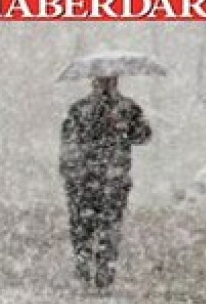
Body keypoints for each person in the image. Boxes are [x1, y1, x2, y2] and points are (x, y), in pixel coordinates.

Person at [60, 75, 152, 290]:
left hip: (111, 180)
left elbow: (144, 136)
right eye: (101, 81)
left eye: (108, 81)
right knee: (83, 228)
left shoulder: (127, 108)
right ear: (93, 82)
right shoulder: (80, 109)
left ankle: (103, 274)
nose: (104, 85)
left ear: (115, 82)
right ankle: (85, 272)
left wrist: (124, 126)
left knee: (107, 228)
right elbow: (68, 142)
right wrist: (69, 172)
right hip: (85, 180)